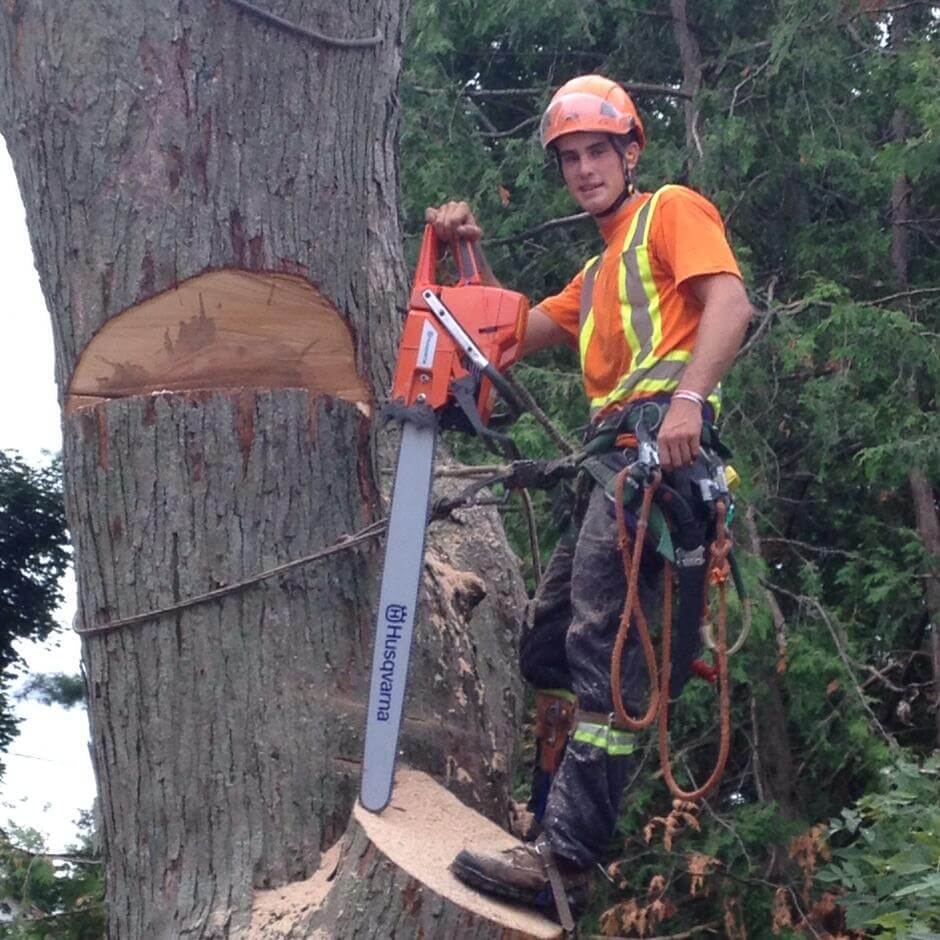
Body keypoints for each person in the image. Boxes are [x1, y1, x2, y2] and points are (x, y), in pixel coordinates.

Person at [426, 74, 752, 922]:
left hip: (658, 451)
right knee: (548, 649)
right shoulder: (598, 270)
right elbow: (505, 333)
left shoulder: (669, 210)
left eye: (595, 151)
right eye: (568, 157)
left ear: (629, 151)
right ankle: (547, 811)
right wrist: (464, 251)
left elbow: (730, 302)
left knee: (606, 647)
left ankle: (565, 856)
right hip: (613, 462)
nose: (582, 168)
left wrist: (687, 402)